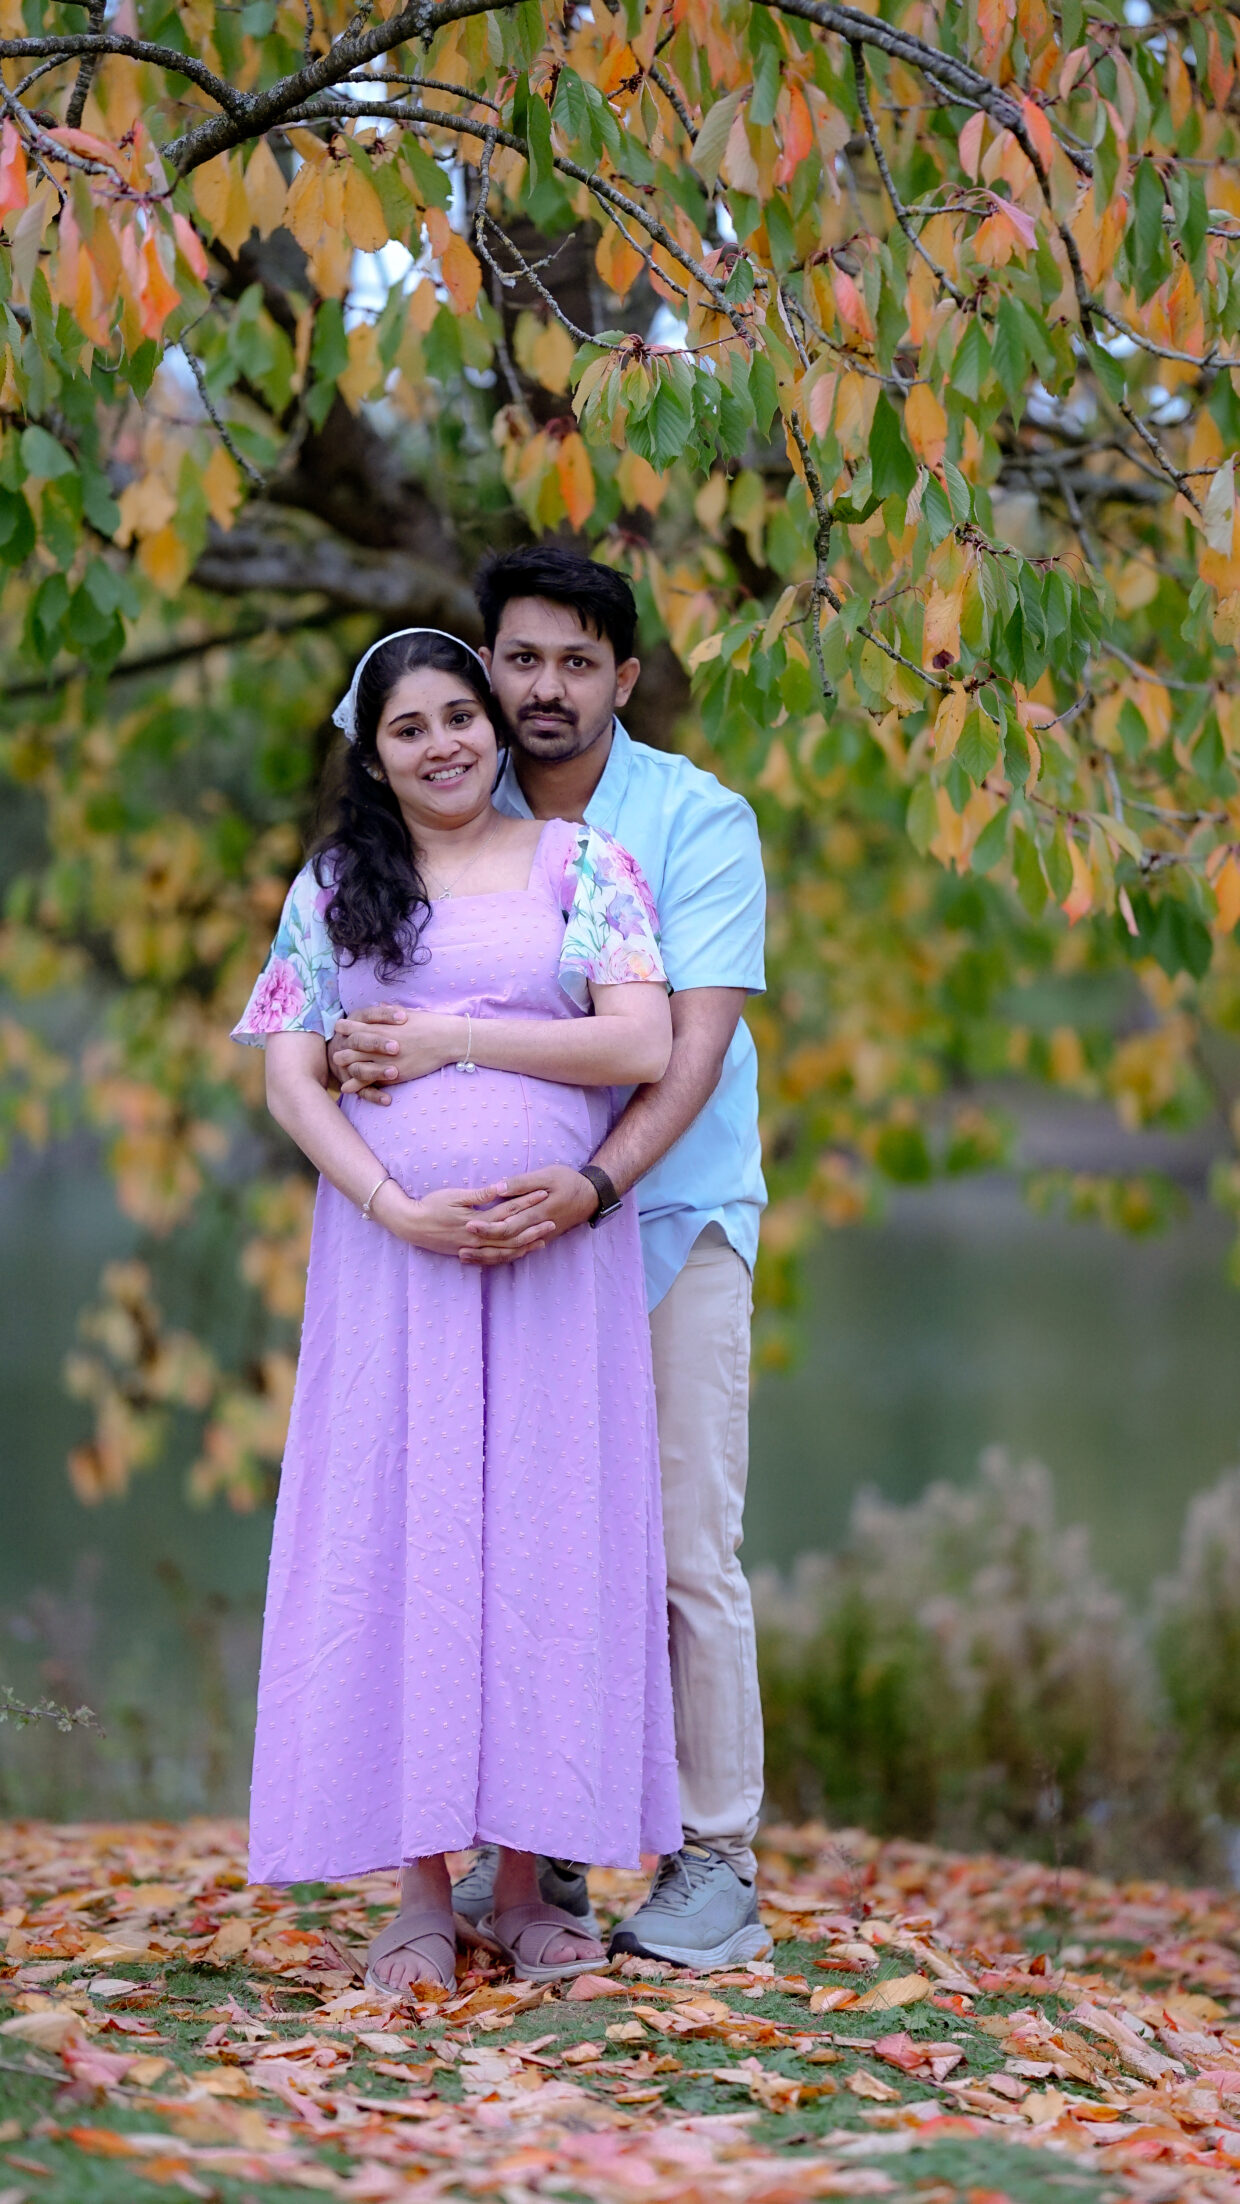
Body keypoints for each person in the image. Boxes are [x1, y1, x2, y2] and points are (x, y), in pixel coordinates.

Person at [330, 549, 770, 1972]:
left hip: (657, 1220)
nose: (541, 688)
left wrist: (590, 1187)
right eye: (519, 658)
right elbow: (354, 988)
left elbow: (683, 1049)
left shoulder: (692, 820)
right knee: (509, 1533)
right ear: (484, 666)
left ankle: (714, 1861)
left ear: (623, 680)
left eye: (577, 663)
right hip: (485, 1253)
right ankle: (541, 1858)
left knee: (682, 1551)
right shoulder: (452, 799)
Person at [232, 626, 683, 1992]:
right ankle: (421, 1889)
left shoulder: (580, 864)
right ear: (371, 755)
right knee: (407, 1536)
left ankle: (543, 1889)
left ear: (497, 725)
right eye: (410, 727)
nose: (445, 743)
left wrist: (452, 1040)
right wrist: (391, 1201)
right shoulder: (335, 889)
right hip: (396, 1267)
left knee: (550, 1543)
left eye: (462, 716)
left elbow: (642, 1042)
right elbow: (290, 1075)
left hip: (558, 1260)